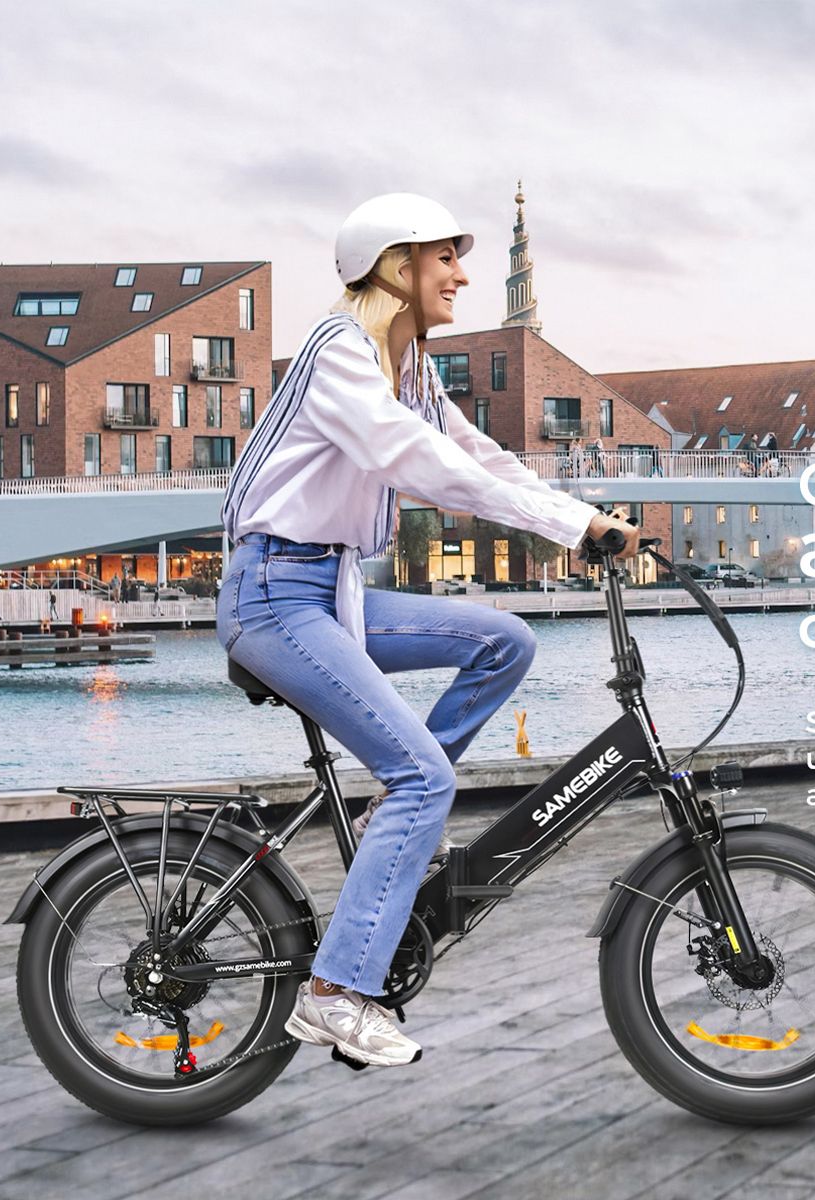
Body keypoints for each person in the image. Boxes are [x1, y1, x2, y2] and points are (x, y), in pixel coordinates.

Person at [218, 193, 638, 1069]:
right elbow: (416, 460)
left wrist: (583, 515)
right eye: (446, 257)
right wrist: (567, 527)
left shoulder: (408, 370)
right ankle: (335, 994)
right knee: (425, 775)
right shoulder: (342, 354)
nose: (463, 274)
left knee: (504, 640)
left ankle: (387, 817)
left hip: (332, 592)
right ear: (397, 268)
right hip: (274, 596)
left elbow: (478, 457)